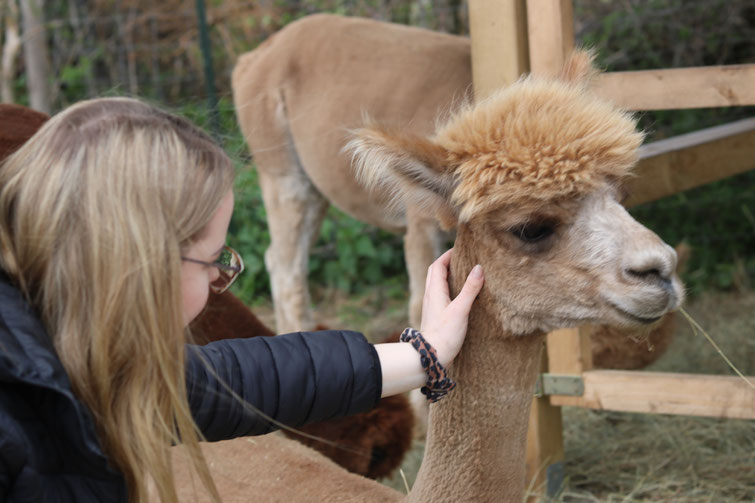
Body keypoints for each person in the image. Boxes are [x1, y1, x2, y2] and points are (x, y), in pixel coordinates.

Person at [0, 97, 484, 502]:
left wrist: (423, 355)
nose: (220, 278)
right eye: (211, 259)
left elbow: (241, 379)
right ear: (141, 264)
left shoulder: (69, 348)